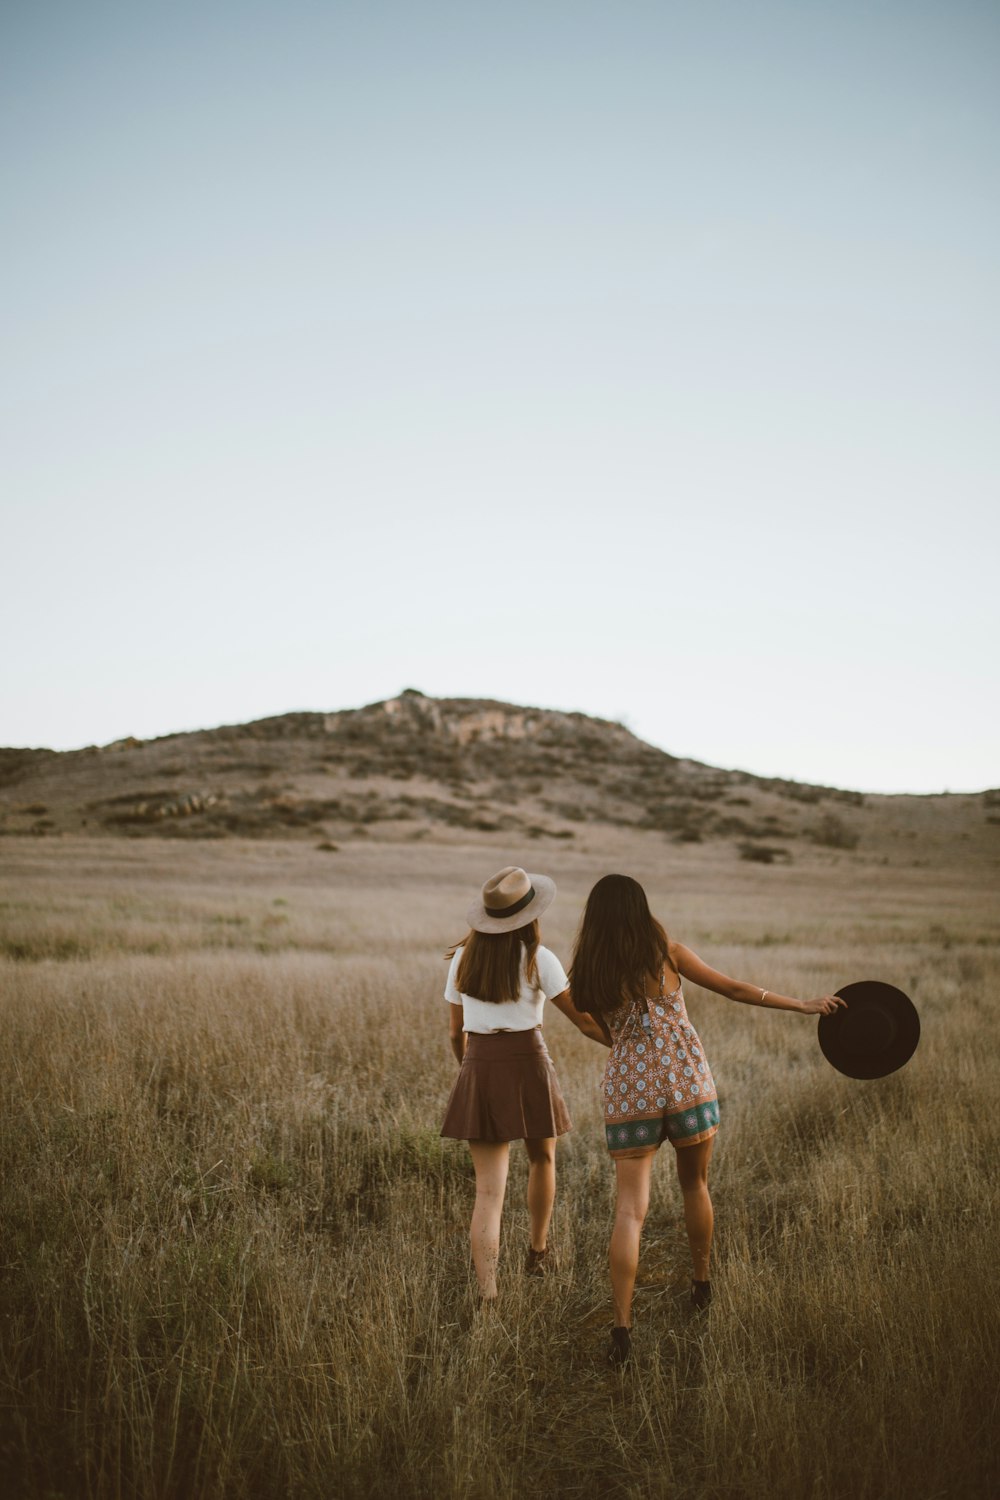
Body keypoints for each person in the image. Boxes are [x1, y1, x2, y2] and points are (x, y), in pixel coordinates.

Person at [569, 873, 846, 1366]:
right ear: (640, 909)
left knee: (630, 1211)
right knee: (695, 1184)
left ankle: (622, 1331)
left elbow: (592, 1023)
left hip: (630, 1089)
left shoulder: (587, 970)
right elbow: (735, 990)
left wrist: (630, 1049)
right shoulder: (667, 952)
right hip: (686, 1081)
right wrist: (802, 1004)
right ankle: (701, 1284)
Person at [440, 865, 607, 1302]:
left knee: (489, 1193)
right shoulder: (539, 958)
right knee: (542, 1160)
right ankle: (537, 1251)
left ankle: (488, 1296)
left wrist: (469, 1070)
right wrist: (626, 1043)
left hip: (480, 1064)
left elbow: (455, 1033)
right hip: (530, 1063)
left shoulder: (463, 957)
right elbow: (585, 1023)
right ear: (528, 915)